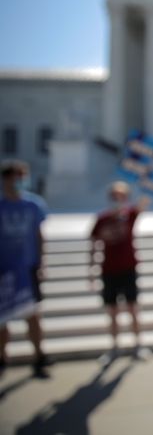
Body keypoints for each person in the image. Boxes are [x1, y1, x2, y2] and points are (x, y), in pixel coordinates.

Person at [89, 181, 152, 363]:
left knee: (133, 308)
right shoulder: (102, 219)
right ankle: (114, 347)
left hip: (128, 268)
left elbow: (144, 201)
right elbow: (94, 244)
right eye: (114, 196)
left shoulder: (130, 215)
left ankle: (138, 345)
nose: (118, 200)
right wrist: (91, 269)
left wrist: (144, 176)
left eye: (122, 196)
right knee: (112, 310)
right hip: (109, 270)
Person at [0, 159, 51, 378]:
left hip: (28, 267)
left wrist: (41, 262)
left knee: (33, 315)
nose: (20, 181)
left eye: (23, 176)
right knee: (2, 319)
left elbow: (39, 236)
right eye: (16, 176)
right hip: (3, 270)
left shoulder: (34, 204)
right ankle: (2, 359)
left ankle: (39, 357)